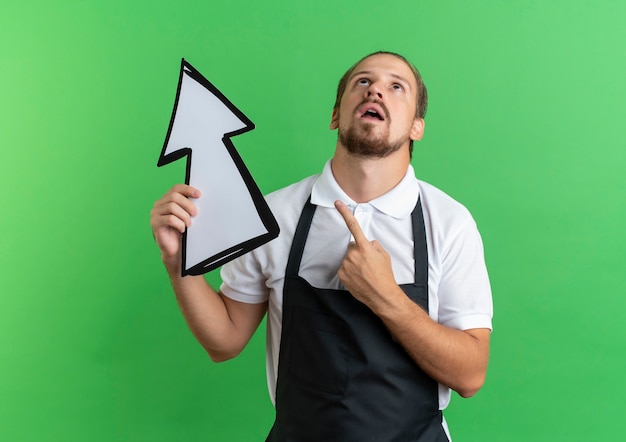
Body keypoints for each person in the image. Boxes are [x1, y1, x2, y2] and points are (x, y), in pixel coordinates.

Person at [150, 51, 493, 441]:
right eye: (362, 82)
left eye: (396, 86)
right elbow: (224, 342)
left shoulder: (448, 223)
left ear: (417, 127)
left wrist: (386, 297)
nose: (376, 90)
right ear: (335, 116)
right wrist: (178, 261)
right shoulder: (275, 215)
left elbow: (470, 374)